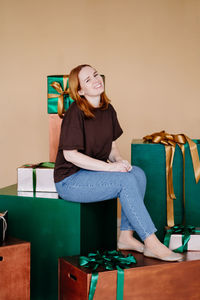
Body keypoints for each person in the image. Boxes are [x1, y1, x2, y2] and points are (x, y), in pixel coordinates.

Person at [54, 64, 182, 262]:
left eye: (96, 75)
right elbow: (71, 155)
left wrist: (120, 161)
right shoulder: (75, 113)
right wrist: (110, 167)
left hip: (93, 174)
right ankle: (152, 243)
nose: (96, 80)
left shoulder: (108, 109)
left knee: (137, 174)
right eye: (88, 80)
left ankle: (126, 237)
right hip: (70, 181)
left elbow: (111, 146)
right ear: (80, 90)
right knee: (125, 181)